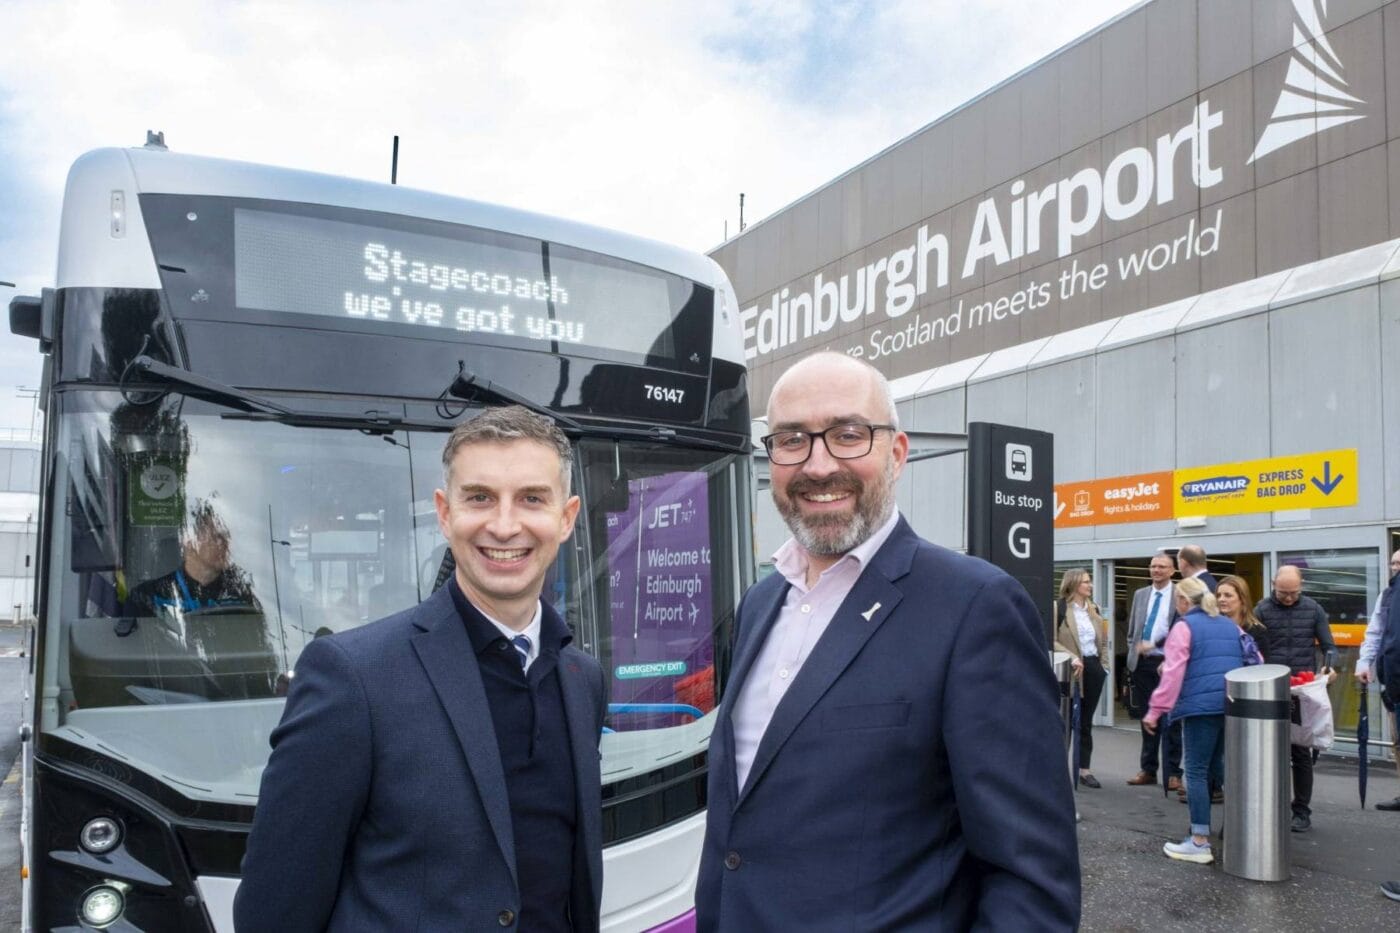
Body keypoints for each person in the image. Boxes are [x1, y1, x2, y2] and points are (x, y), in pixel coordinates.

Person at [696, 352, 1079, 931]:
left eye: (848, 435)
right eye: (792, 439)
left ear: (896, 454)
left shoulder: (975, 607)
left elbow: (1030, 881)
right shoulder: (759, 602)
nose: (818, 465)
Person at [234, 406, 607, 932]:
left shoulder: (582, 679)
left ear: (565, 518)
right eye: (479, 497)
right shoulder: (351, 678)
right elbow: (275, 910)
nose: (504, 525)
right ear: (445, 512)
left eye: (531, 499)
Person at [1143, 577, 1244, 864]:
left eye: (1178, 599)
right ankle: (1244, 828)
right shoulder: (1229, 625)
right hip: (1229, 705)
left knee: (1196, 771)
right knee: (1221, 767)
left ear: (1185, 601)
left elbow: (1172, 675)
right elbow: (1252, 657)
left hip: (1199, 707)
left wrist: (1155, 711)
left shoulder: (1184, 627)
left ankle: (1199, 841)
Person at [1256, 564, 1337, 834]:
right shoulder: (1262, 610)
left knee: (1301, 752)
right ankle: (1270, 805)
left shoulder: (1313, 609)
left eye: (1293, 592)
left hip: (1302, 690)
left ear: (1301, 586)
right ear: (1273, 585)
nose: (1289, 598)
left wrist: (1329, 666)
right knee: (1269, 750)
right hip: (1271, 685)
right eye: (1283, 593)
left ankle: (1301, 810)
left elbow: (1329, 646)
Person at [127, 499, 259, 617]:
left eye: (226, 536)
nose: (224, 543)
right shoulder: (148, 597)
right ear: (189, 540)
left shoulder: (241, 594)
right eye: (216, 536)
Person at [1124, 553, 1183, 790]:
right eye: (1153, 566)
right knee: (1147, 717)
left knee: (1171, 719)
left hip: (1168, 663)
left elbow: (1181, 629)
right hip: (1143, 663)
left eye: (1162, 567)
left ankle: (1173, 773)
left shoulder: (1180, 594)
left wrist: (1169, 657)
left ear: (1172, 571)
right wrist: (1133, 651)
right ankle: (1148, 769)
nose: (1156, 570)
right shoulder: (1141, 594)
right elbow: (1133, 630)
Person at [1053, 568, 1108, 788]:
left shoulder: (1093, 609)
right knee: (1064, 721)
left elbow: (1103, 640)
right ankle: (1058, 769)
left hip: (1093, 667)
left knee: (1085, 722)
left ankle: (1084, 769)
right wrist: (1071, 656)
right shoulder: (1059, 608)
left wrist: (1104, 666)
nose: (1090, 585)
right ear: (1075, 584)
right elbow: (1051, 639)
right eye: (1086, 582)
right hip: (1069, 668)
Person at [1358, 549, 1400, 810]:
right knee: (1397, 740)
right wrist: (1364, 662)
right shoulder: (1387, 595)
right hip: (1394, 682)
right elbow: (1376, 631)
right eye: (1394, 562)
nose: (1396, 567)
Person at [1217, 574, 1270, 663]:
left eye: (1228, 595)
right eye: (1218, 595)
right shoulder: (1214, 628)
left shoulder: (1257, 631)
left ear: (1242, 599)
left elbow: (1264, 666)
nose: (1221, 599)